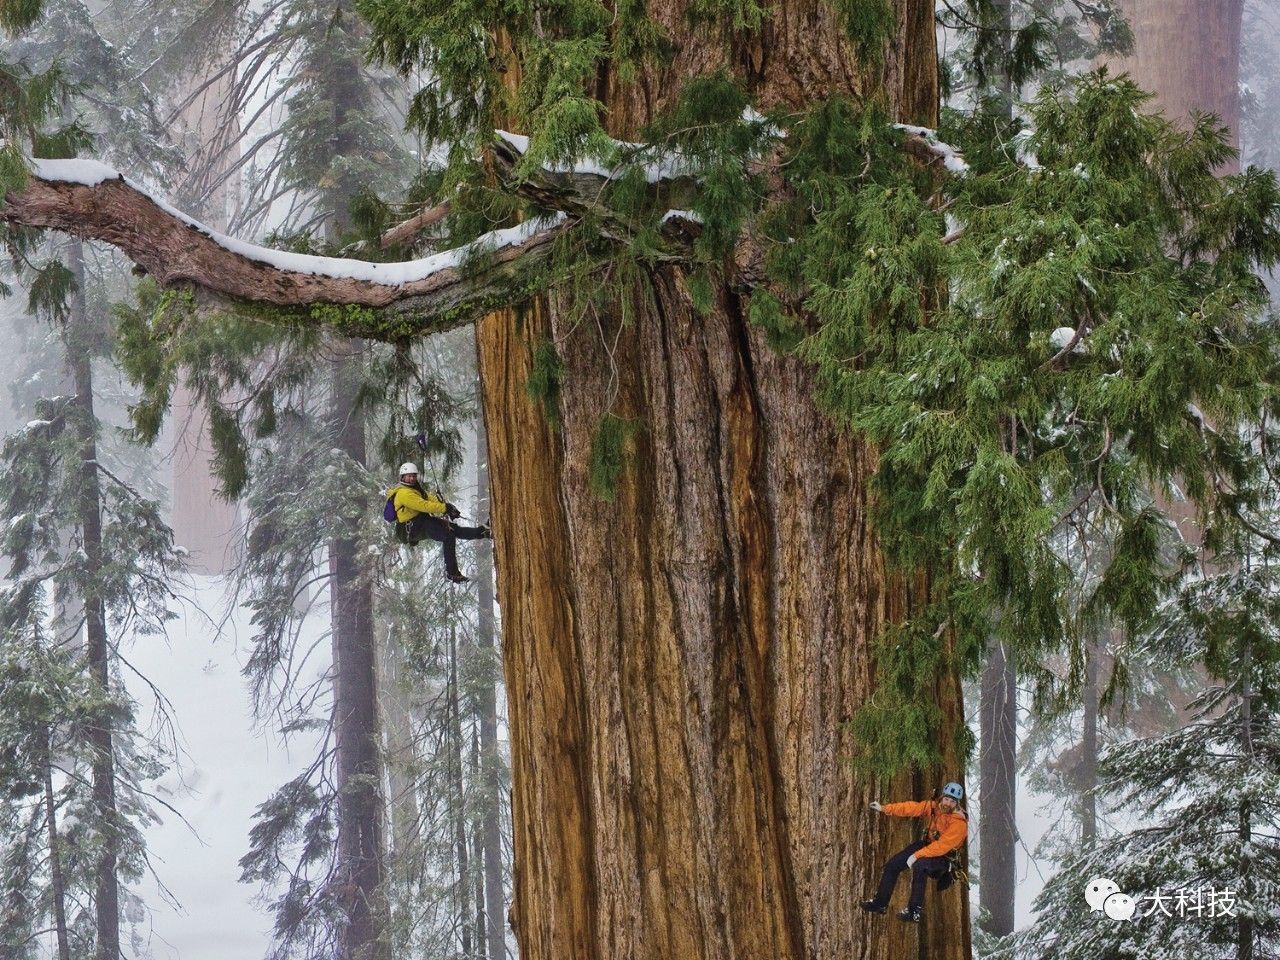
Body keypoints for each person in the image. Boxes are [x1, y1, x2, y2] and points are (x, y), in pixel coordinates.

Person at [860, 781, 968, 923]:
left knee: (920, 865)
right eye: (946, 799)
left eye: (952, 801)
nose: (947, 803)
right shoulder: (934, 806)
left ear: (957, 804)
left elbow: (942, 846)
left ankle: (914, 911)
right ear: (942, 797)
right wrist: (885, 808)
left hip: (944, 857)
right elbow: (912, 808)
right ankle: (880, 903)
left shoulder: (959, 823)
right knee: (894, 864)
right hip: (927, 845)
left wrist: (917, 855)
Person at [387, 462, 491, 583]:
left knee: (452, 528)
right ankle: (453, 573)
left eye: (414, 476)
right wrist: (444, 508)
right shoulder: (403, 493)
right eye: (409, 476)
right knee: (448, 535)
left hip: (420, 520)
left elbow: (428, 497)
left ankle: (483, 532)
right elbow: (423, 505)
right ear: (403, 477)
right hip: (412, 527)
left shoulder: (413, 488)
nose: (412, 478)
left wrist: (446, 506)